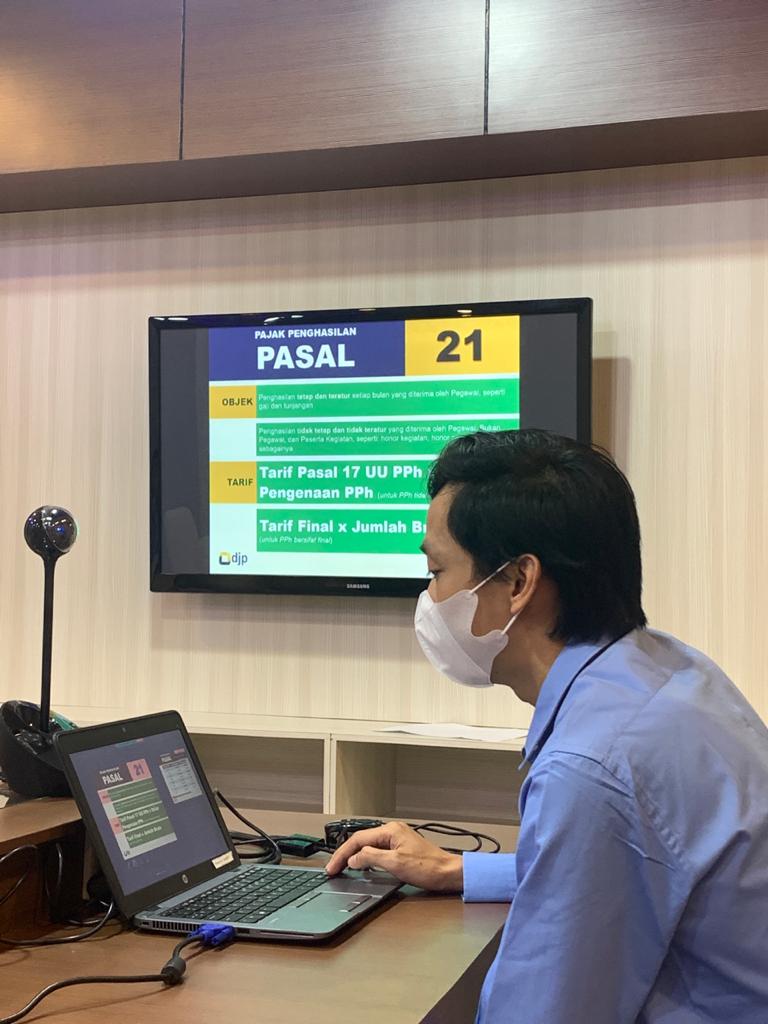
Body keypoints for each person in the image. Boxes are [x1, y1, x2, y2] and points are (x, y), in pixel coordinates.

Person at [326, 429, 768, 1023]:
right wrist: (457, 868)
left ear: (518, 582)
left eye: (436, 569)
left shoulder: (590, 768)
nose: (429, 596)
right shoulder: (671, 671)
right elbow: (637, 872)